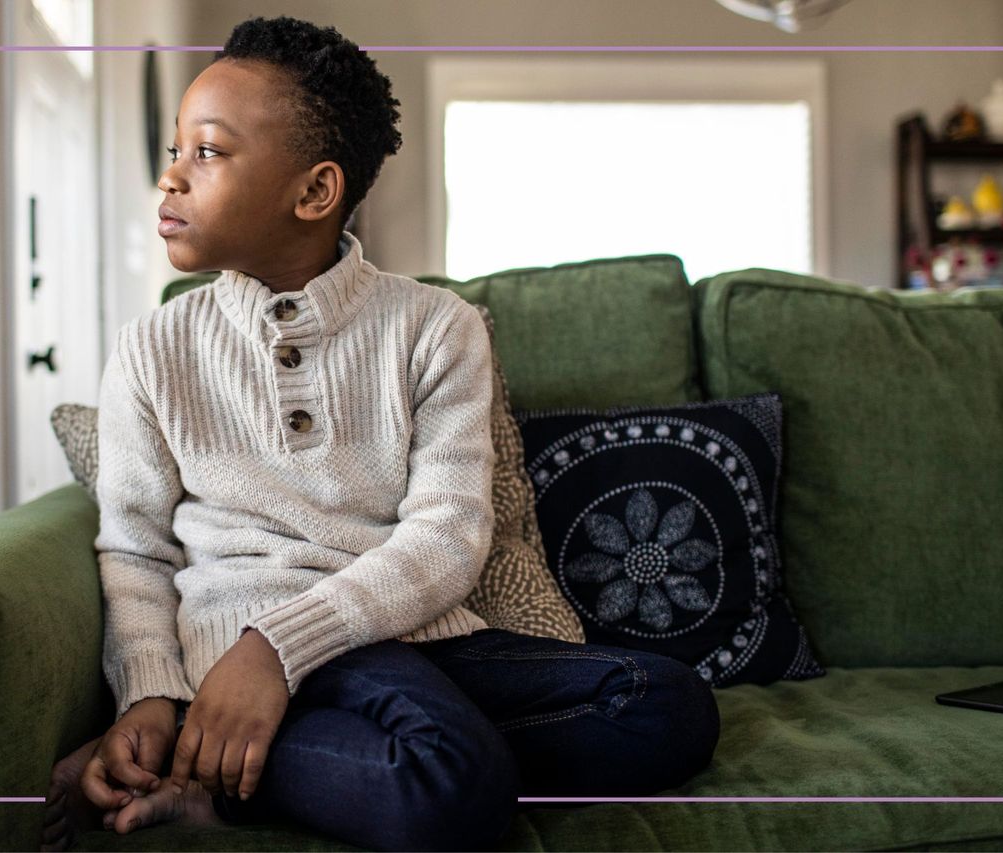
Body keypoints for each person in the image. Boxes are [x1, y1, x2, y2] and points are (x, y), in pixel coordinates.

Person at [40, 14, 720, 853]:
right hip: (239, 643)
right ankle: (284, 754)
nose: (171, 177)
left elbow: (449, 534)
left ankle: (214, 765)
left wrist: (278, 651)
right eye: (177, 149)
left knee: (666, 703)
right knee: (450, 780)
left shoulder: (437, 327)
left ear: (314, 193)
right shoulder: (153, 349)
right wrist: (148, 692)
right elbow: (135, 550)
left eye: (206, 152)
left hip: (405, 638)